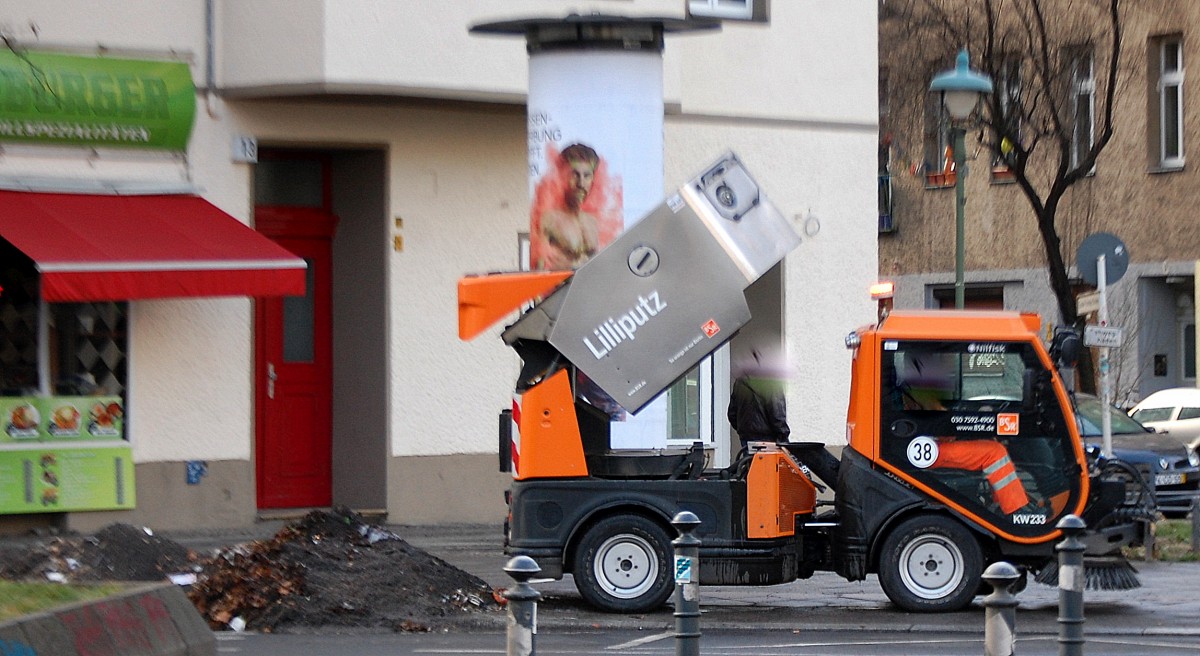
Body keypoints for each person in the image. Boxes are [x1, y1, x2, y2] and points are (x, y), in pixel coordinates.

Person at [535, 144, 601, 270]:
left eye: (587, 176)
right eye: (575, 175)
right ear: (563, 177)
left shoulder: (593, 222)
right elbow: (539, 270)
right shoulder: (549, 219)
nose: (581, 183)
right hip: (564, 287)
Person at [728, 349, 790, 449]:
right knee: (767, 465)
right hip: (768, 439)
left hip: (746, 437)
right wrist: (783, 437)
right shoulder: (772, 382)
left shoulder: (740, 382)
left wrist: (744, 429)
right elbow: (777, 413)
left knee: (750, 463)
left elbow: (732, 414)